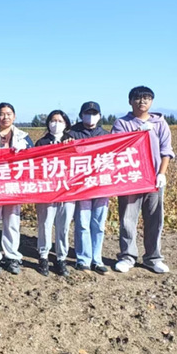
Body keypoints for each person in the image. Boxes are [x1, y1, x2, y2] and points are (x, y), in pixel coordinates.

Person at [112, 86, 174, 274]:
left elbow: (166, 151)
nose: (142, 101)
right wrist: (138, 132)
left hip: (153, 179)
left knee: (154, 219)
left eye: (147, 98)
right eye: (138, 98)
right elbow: (117, 147)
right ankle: (127, 256)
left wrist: (161, 174)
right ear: (130, 101)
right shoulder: (122, 123)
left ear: (152, 101)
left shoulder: (160, 123)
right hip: (130, 179)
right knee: (127, 219)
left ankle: (153, 258)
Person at [0, 102, 33, 275]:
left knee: (12, 221)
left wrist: (25, 150)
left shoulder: (23, 137)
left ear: (14, 116)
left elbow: (35, 157)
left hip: (13, 185)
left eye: (9, 114)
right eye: (2, 114)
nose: (5, 117)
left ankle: (12, 256)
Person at [68, 101, 110, 273]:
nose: (91, 116)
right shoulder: (72, 133)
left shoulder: (106, 135)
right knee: (83, 223)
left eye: (94, 113)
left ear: (99, 116)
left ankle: (97, 259)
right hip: (81, 185)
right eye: (87, 113)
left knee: (99, 224)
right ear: (81, 115)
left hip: (101, 184)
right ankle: (83, 259)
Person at [34, 110, 74, 277]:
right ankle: (43, 256)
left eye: (60, 121)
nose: (56, 124)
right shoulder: (41, 142)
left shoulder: (72, 141)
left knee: (63, 226)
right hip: (47, 191)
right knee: (45, 224)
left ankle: (61, 258)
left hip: (67, 191)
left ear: (66, 124)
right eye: (53, 120)